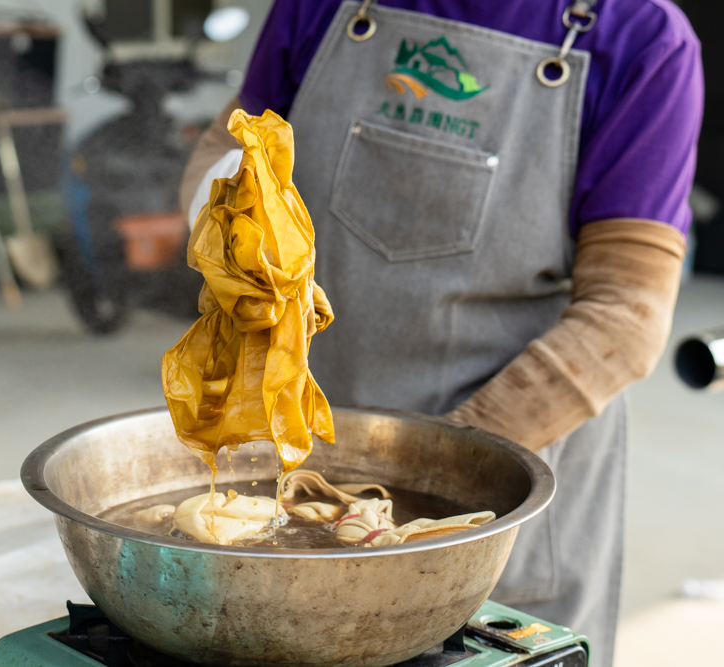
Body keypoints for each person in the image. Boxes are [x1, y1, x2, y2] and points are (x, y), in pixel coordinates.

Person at [178, 1, 703, 665]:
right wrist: (226, 226)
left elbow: (625, 316)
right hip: (310, 463)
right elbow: (231, 144)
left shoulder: (643, 38)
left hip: (496, 506)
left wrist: (426, 476)